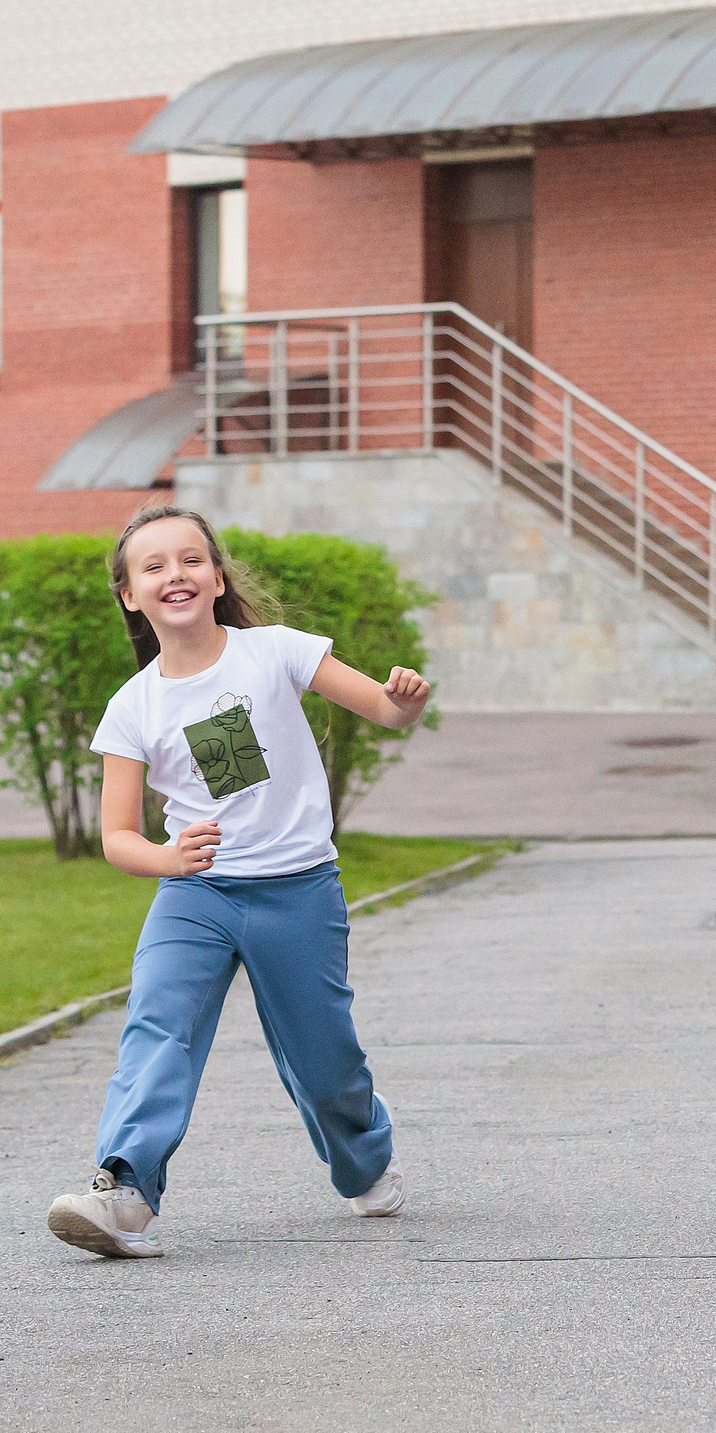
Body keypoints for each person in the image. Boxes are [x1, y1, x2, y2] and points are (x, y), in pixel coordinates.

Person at [45, 506, 431, 1258]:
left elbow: (383, 708)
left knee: (324, 1064)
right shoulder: (135, 707)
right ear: (129, 594)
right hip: (198, 895)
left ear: (217, 578)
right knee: (158, 1027)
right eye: (152, 566)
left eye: (190, 560)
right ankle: (123, 1190)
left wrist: (404, 703)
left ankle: (365, 1158)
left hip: (298, 888)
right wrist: (169, 859)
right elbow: (118, 836)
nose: (175, 575)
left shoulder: (276, 652)